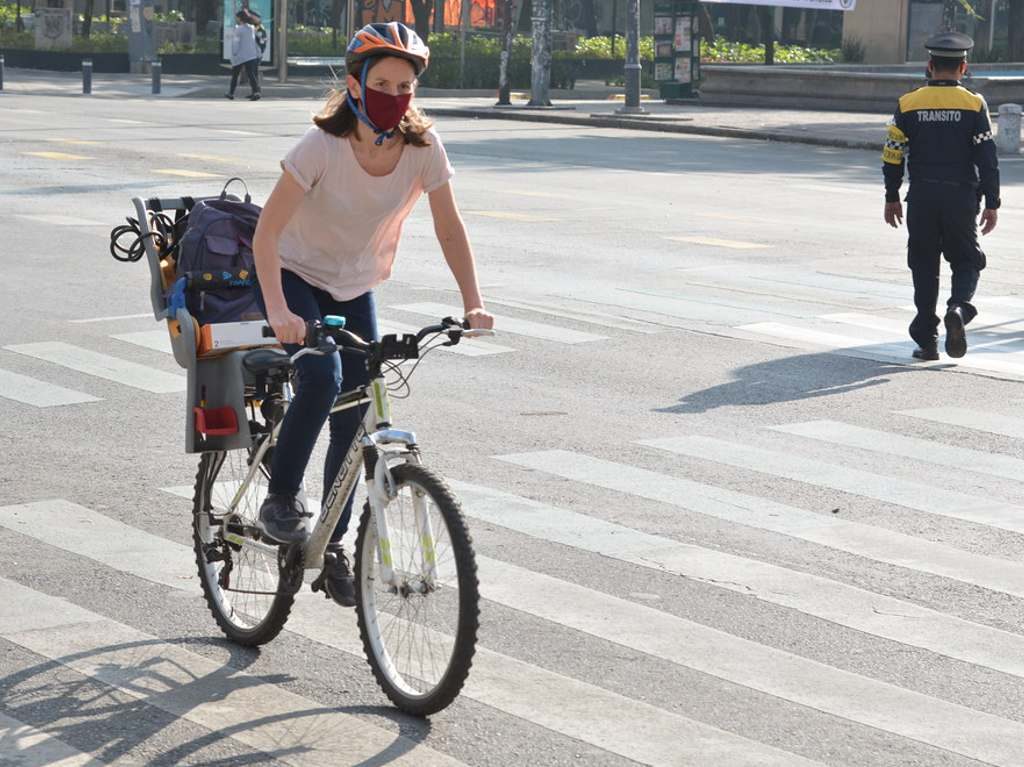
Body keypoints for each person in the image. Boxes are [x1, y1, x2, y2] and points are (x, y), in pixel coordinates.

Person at [252, 22, 494, 607]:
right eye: (382, 82)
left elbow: (448, 225)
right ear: (356, 85)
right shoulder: (321, 146)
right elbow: (266, 233)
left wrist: (473, 300)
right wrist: (281, 310)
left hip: (354, 282)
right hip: (294, 275)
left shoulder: (422, 148)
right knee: (323, 375)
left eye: (405, 85)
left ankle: (330, 543)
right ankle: (281, 496)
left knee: (356, 409)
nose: (394, 94)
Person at [882, 32, 1000, 361]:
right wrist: (992, 201)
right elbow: (987, 158)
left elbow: (892, 155)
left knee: (923, 265)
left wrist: (892, 195)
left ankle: (927, 340)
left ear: (930, 66)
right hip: (961, 198)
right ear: (964, 67)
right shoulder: (975, 104)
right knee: (966, 261)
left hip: (921, 197)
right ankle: (959, 309)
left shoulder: (908, 103)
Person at [227, 10, 262, 101]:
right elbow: (254, 41)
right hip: (251, 55)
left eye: (237, 17)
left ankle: (231, 93)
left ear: (239, 18)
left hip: (240, 56)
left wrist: (234, 53)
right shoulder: (251, 28)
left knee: (235, 75)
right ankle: (256, 92)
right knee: (251, 75)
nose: (236, 19)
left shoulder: (238, 29)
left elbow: (236, 43)